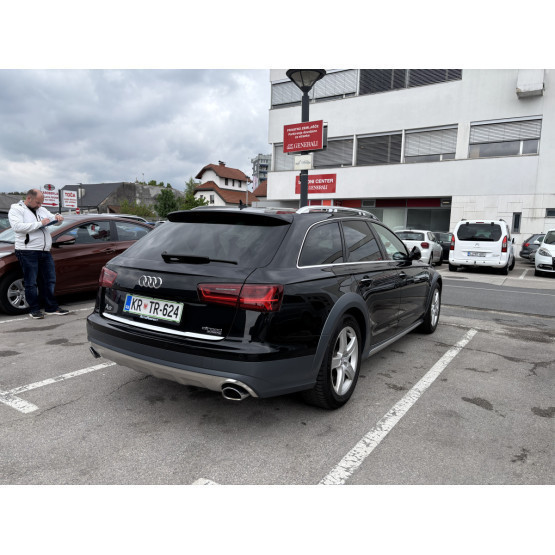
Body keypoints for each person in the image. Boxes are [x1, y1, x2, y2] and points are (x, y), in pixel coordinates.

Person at [8, 189, 70, 319]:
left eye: (41, 203)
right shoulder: (16, 209)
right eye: (38, 202)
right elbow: (17, 227)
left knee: (49, 280)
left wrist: (58, 218)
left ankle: (51, 307)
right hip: (27, 250)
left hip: (44, 250)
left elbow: (53, 218)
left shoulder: (41, 209)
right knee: (31, 282)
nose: (40, 205)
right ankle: (34, 309)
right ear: (29, 198)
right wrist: (40, 224)